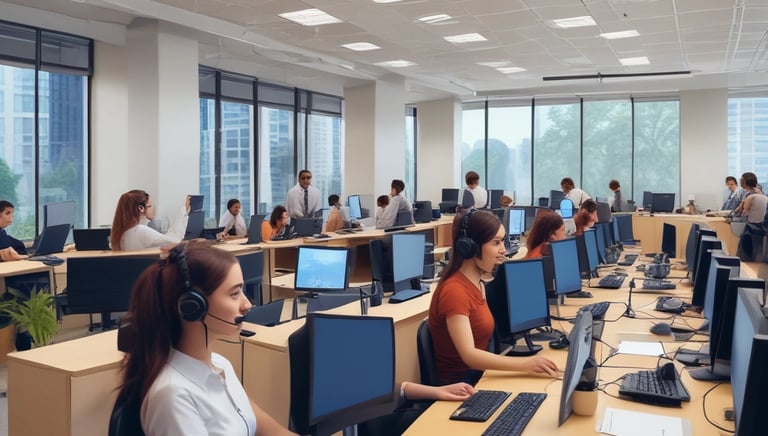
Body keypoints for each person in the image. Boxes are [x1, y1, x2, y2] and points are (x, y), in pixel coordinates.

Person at [114, 242, 294, 435]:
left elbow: (262, 426)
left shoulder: (220, 365)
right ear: (193, 307)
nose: (247, 304)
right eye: (234, 294)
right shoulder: (173, 395)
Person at [428, 209, 558, 385]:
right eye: (496, 243)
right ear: (471, 247)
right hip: (462, 386)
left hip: (481, 376)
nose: (503, 250)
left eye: (502, 241)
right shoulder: (454, 291)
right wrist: (525, 364)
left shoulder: (479, 283)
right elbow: (469, 355)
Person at [110, 190, 190, 251]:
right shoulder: (140, 230)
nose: (153, 209)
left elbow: (168, 239)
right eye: (150, 206)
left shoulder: (125, 233)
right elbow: (175, 241)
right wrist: (184, 211)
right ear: (141, 208)